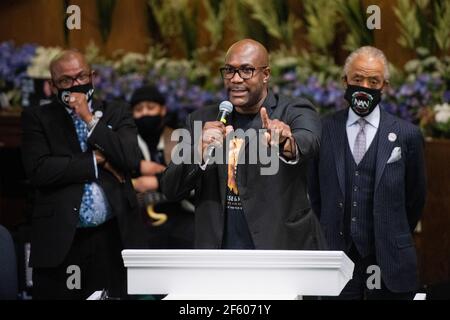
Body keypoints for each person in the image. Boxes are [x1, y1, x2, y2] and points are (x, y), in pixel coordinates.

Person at [161, 39, 326, 250]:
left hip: (278, 246)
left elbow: (309, 141)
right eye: (229, 70)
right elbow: (171, 189)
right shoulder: (201, 120)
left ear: (266, 75)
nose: (235, 79)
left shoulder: (293, 111)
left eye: (246, 70)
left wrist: (284, 140)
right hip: (220, 247)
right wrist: (197, 154)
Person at [21, 49, 147, 299]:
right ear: (52, 85)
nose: (75, 85)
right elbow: (39, 170)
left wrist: (89, 119)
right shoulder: (37, 118)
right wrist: (97, 160)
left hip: (111, 236)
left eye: (80, 77)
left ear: (93, 77)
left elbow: (131, 159)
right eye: (65, 81)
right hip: (62, 238)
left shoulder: (116, 111)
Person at [308, 46, 426, 299]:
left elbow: (415, 197)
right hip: (337, 261)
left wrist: (391, 229)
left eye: (373, 81)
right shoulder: (323, 129)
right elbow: (314, 194)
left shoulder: (407, 135)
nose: (364, 86)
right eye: (357, 79)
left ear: (385, 86)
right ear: (345, 81)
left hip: (390, 262)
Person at [130, 85, 194, 248]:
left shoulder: (179, 139)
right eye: (139, 109)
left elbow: (192, 181)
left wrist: (158, 182)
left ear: (163, 110)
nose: (145, 113)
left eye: (151, 108)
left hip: (181, 215)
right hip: (139, 218)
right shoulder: (126, 145)